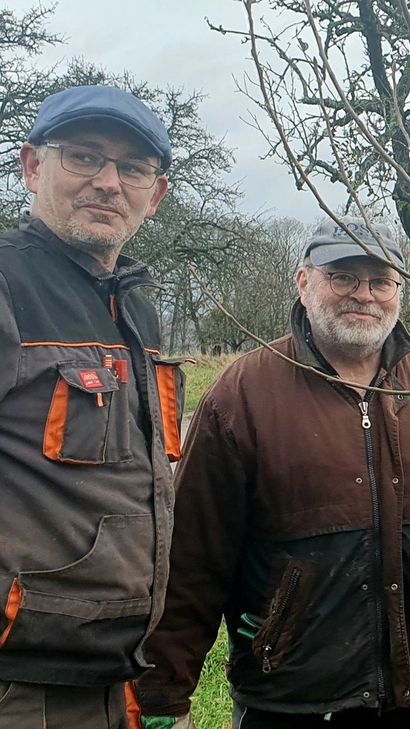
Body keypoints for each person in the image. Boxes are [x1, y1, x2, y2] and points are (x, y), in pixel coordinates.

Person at [135, 216, 410, 728]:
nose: (365, 295)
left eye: (381, 282)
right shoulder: (243, 393)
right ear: (304, 282)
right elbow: (193, 558)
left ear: (399, 291)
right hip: (293, 699)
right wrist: (164, 698)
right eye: (344, 278)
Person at [0, 85, 179, 728]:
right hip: (19, 684)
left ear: (154, 196)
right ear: (32, 167)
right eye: (83, 157)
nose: (108, 182)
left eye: (132, 168)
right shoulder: (8, 283)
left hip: (107, 675)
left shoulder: (134, 307)